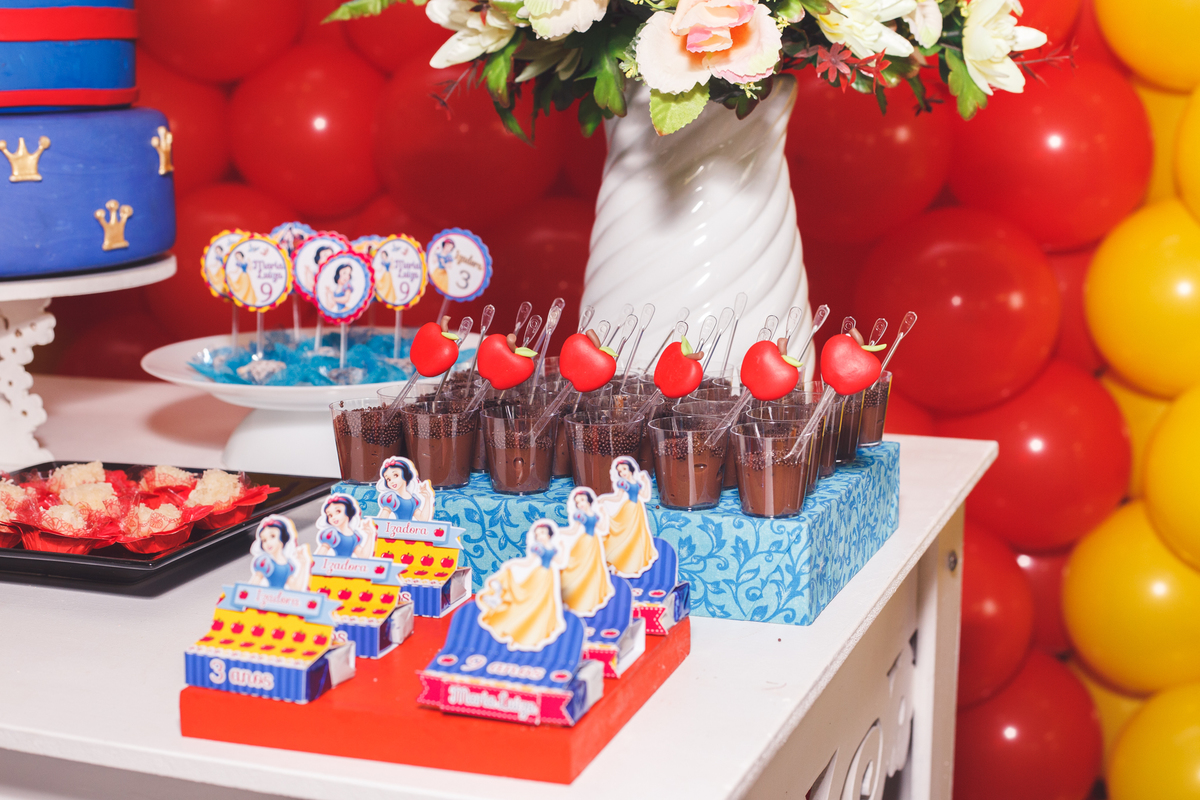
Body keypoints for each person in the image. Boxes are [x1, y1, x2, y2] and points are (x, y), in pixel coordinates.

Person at [476, 520, 567, 651]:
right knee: (529, 603)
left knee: (545, 606)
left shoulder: (552, 548)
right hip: (538, 576)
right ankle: (517, 630)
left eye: (542, 533)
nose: (540, 536)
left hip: (549, 577)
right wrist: (513, 564)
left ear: (549, 534)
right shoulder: (538, 548)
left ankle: (538, 634)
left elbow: (559, 561)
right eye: (537, 534)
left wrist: (563, 548)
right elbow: (528, 563)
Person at [598, 456, 658, 578]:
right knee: (625, 535)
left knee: (636, 537)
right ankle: (618, 562)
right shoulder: (622, 483)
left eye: (624, 469)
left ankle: (633, 565)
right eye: (620, 471)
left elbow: (645, 495)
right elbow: (618, 497)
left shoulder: (637, 483)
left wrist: (646, 481)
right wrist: (604, 498)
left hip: (638, 510)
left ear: (630, 469)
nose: (623, 473)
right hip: (628, 509)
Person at [558, 487, 615, 616]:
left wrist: (604, 513)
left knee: (593, 570)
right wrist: (559, 533)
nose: (581, 504)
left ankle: (590, 598)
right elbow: (573, 530)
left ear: (589, 501)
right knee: (579, 569)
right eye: (578, 503)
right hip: (583, 543)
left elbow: (602, 527)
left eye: (582, 500)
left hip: (594, 543)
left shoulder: (595, 514)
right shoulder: (579, 515)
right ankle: (575, 597)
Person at [249, 516, 310, 590]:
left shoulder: (289, 565)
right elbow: (252, 587)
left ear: (282, 538)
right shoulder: (264, 562)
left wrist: (303, 565)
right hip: (267, 597)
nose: (268, 543)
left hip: (282, 599)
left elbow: (296, 588)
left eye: (272, 536)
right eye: (264, 540)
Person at [375, 456, 435, 521]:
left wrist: (427, 498)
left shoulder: (413, 499)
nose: (392, 481)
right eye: (388, 479)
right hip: (394, 529)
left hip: (410, 529)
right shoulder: (391, 498)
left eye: (395, 475)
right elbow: (381, 521)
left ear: (405, 475)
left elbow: (423, 519)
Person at [314, 494, 373, 558]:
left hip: (350, 566)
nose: (333, 517)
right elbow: (319, 557)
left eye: (338, 511)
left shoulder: (355, 536)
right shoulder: (331, 534)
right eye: (330, 515)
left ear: (348, 511)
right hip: (333, 565)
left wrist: (370, 535)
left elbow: (363, 556)